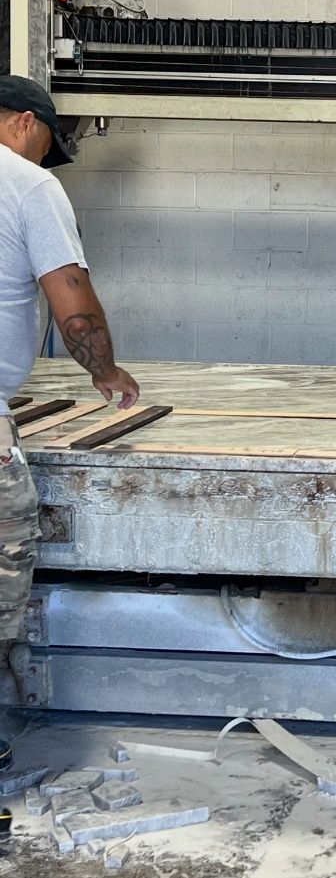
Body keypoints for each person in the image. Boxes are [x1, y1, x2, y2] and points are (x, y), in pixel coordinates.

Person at [0, 75, 139, 725]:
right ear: (25, 122)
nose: (44, 160)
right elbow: (72, 302)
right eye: (45, 146)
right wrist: (105, 370)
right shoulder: (27, 185)